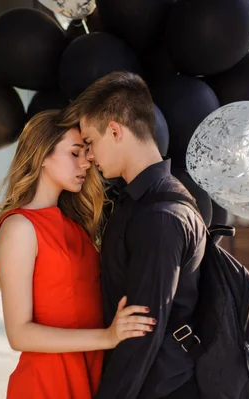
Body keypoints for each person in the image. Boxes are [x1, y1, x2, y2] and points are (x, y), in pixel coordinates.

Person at [0, 109, 157, 399]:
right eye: (75, 153)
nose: (86, 163)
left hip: (92, 373)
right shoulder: (20, 227)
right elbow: (19, 334)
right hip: (47, 383)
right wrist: (107, 337)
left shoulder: (76, 225)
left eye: (86, 153)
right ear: (42, 156)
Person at [60, 71, 207, 399]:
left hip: (159, 389)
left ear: (114, 130)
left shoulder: (159, 216)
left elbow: (143, 333)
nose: (90, 156)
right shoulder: (144, 202)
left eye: (90, 143)